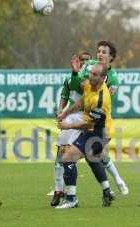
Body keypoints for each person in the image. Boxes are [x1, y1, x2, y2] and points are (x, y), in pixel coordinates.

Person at [69, 40, 129, 195]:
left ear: (111, 57)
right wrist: (76, 74)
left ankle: (113, 183)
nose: (100, 54)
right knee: (93, 155)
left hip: (97, 121)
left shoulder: (113, 79)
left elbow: (104, 104)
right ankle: (112, 185)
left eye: (104, 52)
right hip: (81, 115)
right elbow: (78, 85)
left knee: (94, 155)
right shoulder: (90, 66)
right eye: (99, 51)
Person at [55, 63, 114, 209]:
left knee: (67, 157)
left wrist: (67, 126)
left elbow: (89, 124)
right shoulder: (89, 85)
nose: (90, 76)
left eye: (94, 74)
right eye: (90, 73)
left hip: (100, 133)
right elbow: (80, 103)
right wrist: (65, 113)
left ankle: (71, 199)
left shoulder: (101, 99)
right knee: (92, 158)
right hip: (93, 130)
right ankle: (107, 191)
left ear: (102, 78)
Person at [50, 51, 92, 206]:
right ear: (79, 61)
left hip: (83, 118)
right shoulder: (71, 78)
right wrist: (60, 110)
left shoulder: (91, 79)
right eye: (83, 60)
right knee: (62, 154)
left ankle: (107, 189)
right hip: (71, 117)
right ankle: (60, 190)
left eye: (88, 60)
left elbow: (81, 92)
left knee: (95, 158)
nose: (85, 63)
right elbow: (64, 95)